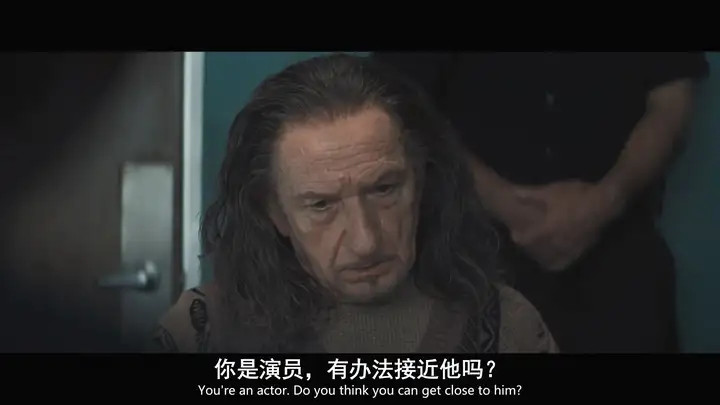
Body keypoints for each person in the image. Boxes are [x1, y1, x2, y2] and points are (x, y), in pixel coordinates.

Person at [151, 53, 558, 353]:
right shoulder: (202, 331)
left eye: (384, 190)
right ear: (275, 214)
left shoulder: (505, 327)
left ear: (421, 184)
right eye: (321, 205)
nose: (365, 241)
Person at [372, 52, 709, 353]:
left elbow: (672, 97)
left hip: (623, 254)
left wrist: (606, 201)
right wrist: (507, 205)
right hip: (471, 255)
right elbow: (399, 99)